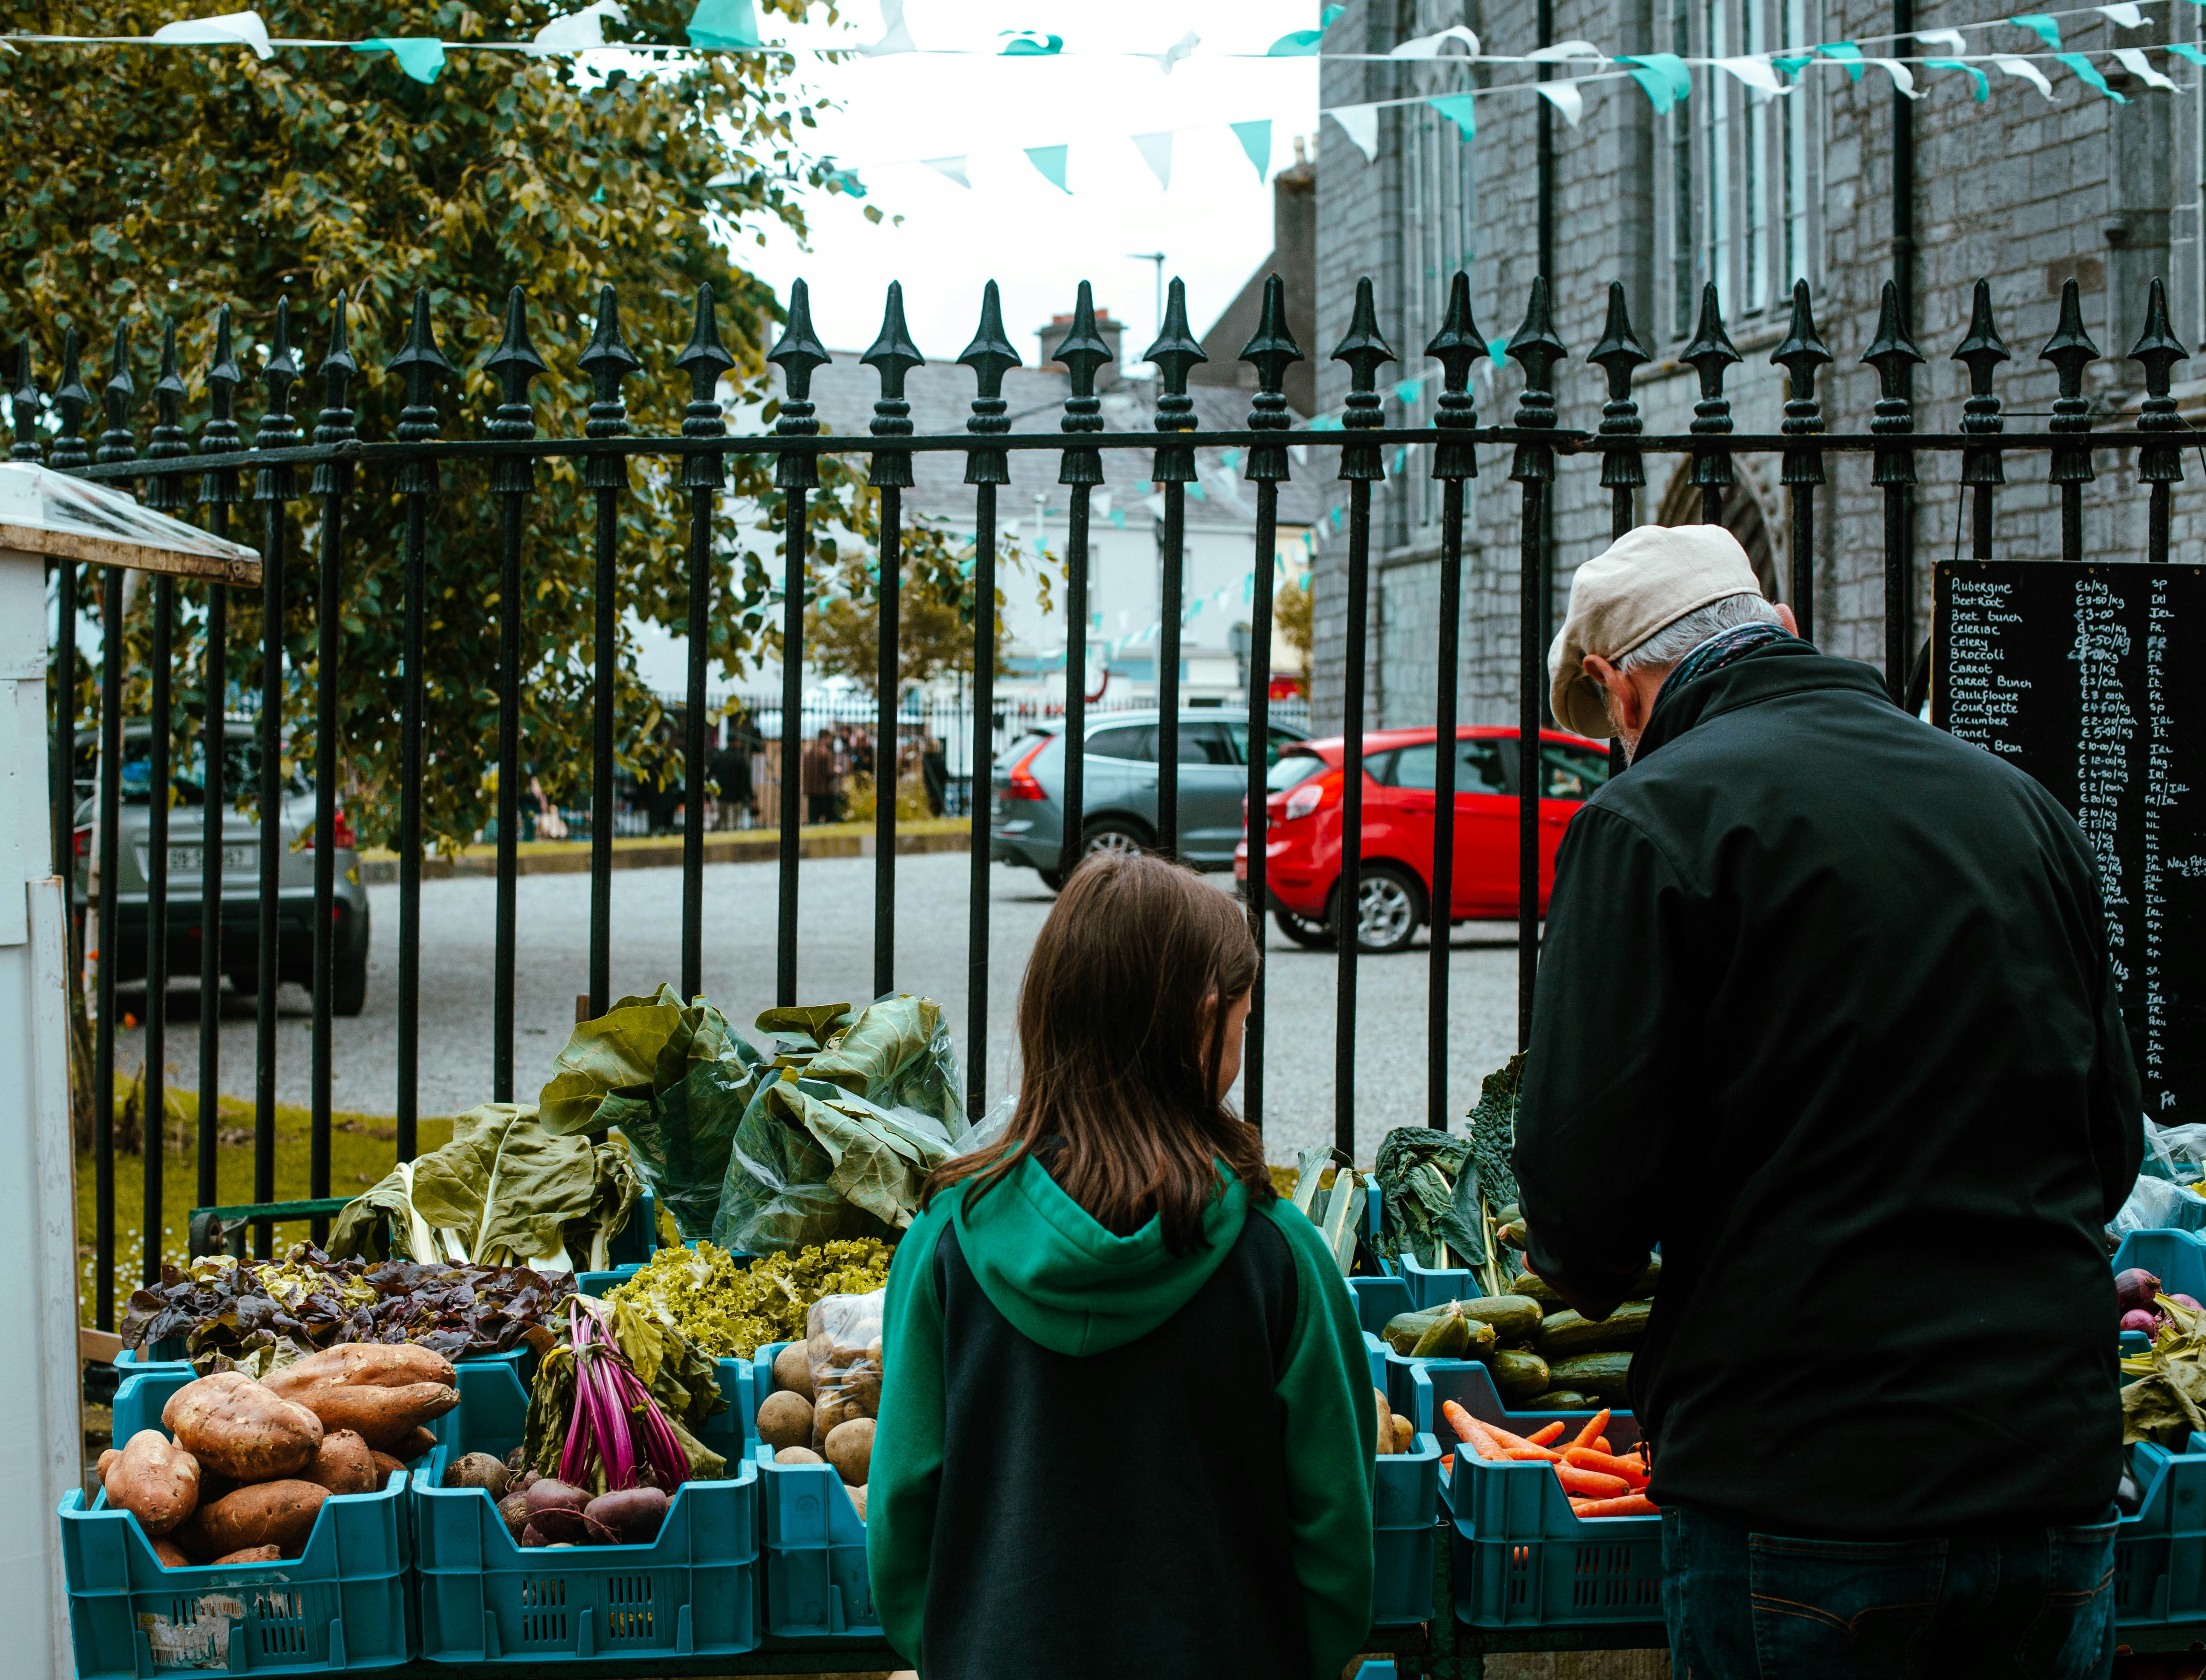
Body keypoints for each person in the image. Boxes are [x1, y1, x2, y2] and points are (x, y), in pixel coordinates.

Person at [1515, 523, 2143, 1678]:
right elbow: (2110, 1152)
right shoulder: (2022, 808)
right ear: (1785, 627)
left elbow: (1582, 1226)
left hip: (1797, 1485)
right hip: (2045, 1474)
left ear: (1617, 687)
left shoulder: (1649, 821)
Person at [867, 850, 1378, 1680]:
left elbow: (900, 1515)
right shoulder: (1280, 1258)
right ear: (1207, 1017)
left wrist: (961, 1648)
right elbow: (1338, 1535)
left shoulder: (943, 1246)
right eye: (1245, 1020)